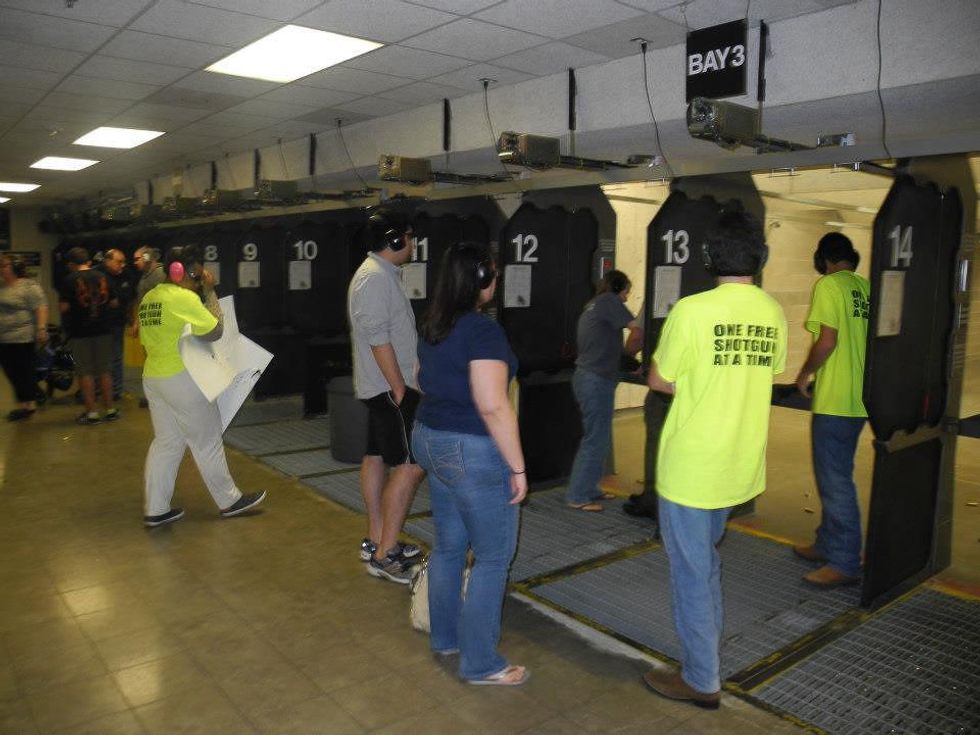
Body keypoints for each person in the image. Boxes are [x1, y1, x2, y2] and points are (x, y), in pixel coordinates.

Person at [641, 211, 786, 709]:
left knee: (692, 572)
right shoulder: (772, 311)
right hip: (737, 465)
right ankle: (705, 661)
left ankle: (701, 679)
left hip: (691, 468)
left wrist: (698, 384)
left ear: (707, 259)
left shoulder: (692, 310)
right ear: (759, 259)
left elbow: (660, 380)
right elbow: (764, 372)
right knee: (705, 564)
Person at [412, 241, 528, 686]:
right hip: (471, 450)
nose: (496, 281)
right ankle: (481, 663)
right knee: (494, 556)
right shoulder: (483, 332)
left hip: (431, 440)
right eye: (493, 273)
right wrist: (517, 468)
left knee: (448, 547)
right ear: (481, 279)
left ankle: (446, 639)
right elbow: (493, 405)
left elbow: (422, 379)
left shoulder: (434, 324)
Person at [138, 244, 265, 527]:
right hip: (182, 378)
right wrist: (208, 290)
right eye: (194, 271)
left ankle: (156, 509)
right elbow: (215, 331)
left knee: (167, 443)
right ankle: (230, 500)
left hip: (154, 378)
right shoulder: (183, 298)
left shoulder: (150, 297)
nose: (198, 276)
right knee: (206, 441)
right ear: (180, 271)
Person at [347, 209, 424, 583]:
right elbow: (379, 338)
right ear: (395, 240)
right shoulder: (375, 279)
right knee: (409, 466)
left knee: (376, 456)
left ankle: (377, 538)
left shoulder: (378, 275)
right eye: (409, 235)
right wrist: (399, 388)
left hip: (382, 388)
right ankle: (386, 554)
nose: (412, 242)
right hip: (390, 389)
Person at [793, 233, 870, 588]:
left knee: (836, 481)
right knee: (835, 474)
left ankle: (844, 561)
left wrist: (806, 372)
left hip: (836, 399)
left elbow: (827, 341)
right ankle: (827, 542)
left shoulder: (829, 286)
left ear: (824, 259)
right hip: (860, 399)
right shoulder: (867, 288)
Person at [566, 270, 643, 511]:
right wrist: (634, 357)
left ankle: (589, 488)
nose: (627, 298)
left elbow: (604, 344)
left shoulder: (594, 304)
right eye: (627, 291)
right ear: (618, 288)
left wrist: (629, 364)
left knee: (599, 437)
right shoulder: (609, 301)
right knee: (595, 439)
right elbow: (637, 330)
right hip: (596, 380)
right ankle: (578, 495)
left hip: (590, 377)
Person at [59, 247, 118, 425]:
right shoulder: (104, 277)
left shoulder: (69, 280)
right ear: (88, 261)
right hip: (104, 331)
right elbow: (114, 302)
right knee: (105, 370)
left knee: (85, 372)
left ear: (71, 264)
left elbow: (63, 308)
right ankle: (110, 409)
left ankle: (92, 412)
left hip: (80, 333)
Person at [0, 254, 47, 421]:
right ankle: (27, 399)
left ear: (15, 267)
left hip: (23, 337)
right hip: (4, 338)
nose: (2, 268)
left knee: (24, 371)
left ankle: (27, 405)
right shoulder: (2, 287)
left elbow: (40, 307)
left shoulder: (29, 286)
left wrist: (41, 328)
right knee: (10, 371)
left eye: (5, 266)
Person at [97, 248, 134, 399]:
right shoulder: (97, 275)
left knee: (117, 358)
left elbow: (129, 297)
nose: (122, 265)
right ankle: (98, 389)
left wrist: (131, 319)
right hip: (99, 325)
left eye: (124, 262)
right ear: (107, 260)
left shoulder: (125, 276)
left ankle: (116, 390)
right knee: (100, 359)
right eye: (119, 262)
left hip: (118, 323)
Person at [131, 246, 164, 408]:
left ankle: (160, 395)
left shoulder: (160, 275)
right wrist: (137, 322)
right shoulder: (145, 277)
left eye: (138, 259)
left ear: (147, 258)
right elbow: (141, 301)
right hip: (148, 329)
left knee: (159, 363)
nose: (135, 262)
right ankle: (152, 394)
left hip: (159, 328)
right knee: (150, 363)